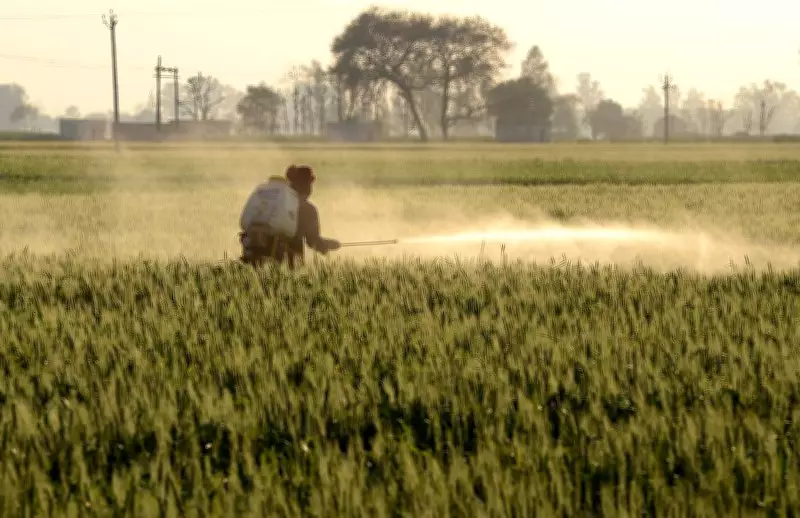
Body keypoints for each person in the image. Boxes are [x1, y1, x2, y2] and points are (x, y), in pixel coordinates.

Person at [239, 164, 341, 267]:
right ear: (307, 186)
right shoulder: (308, 209)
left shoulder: (279, 201)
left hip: (255, 257)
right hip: (288, 262)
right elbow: (313, 241)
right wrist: (330, 245)